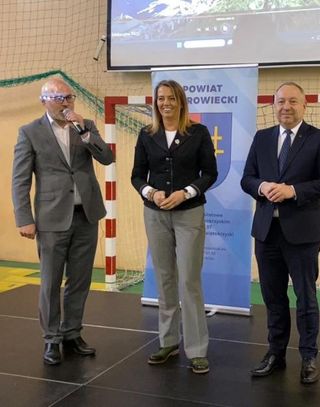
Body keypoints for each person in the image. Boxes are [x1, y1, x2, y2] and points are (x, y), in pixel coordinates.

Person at [12, 77, 114, 365]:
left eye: (69, 97)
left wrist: (84, 131)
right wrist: (24, 218)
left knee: (80, 279)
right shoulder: (29, 132)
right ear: (44, 101)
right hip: (51, 219)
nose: (65, 103)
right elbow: (20, 180)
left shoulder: (85, 126)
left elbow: (107, 158)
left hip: (86, 215)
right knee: (50, 282)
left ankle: (72, 333)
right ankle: (51, 338)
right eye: (59, 98)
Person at [241, 82, 320, 384]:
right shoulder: (262, 138)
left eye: (293, 101)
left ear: (304, 105)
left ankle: (309, 356)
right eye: (281, 101)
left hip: (302, 234)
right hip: (266, 232)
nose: (286, 107)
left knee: (306, 297)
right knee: (273, 297)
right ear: (273, 105)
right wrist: (262, 187)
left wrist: (293, 191)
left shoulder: (319, 139)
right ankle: (276, 353)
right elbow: (247, 178)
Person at [131, 79, 217, 374]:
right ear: (155, 103)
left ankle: (197, 349)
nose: (165, 103)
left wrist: (186, 193)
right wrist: (151, 193)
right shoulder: (146, 134)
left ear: (181, 102)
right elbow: (137, 175)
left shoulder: (198, 133)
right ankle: (168, 341)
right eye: (161, 98)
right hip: (155, 214)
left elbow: (210, 173)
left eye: (171, 98)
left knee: (189, 281)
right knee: (165, 278)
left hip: (189, 213)